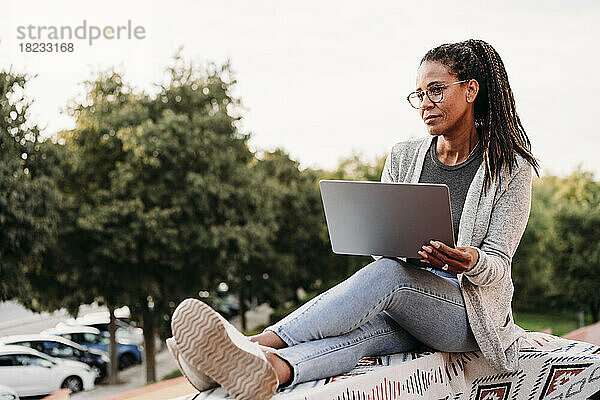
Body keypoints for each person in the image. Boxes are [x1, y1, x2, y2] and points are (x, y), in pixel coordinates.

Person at [167, 39, 539, 400]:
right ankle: (268, 370)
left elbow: (498, 264)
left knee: (389, 275)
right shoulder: (404, 156)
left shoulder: (509, 168)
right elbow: (384, 248)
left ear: (471, 90)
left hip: (467, 315)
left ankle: (251, 344)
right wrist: (392, 245)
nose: (425, 104)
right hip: (408, 299)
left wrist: (470, 260)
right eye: (419, 95)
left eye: (436, 91)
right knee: (361, 334)